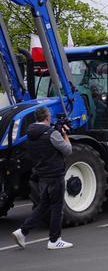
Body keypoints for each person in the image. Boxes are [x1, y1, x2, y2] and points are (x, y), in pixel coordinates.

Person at [11, 107, 74, 250]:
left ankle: (22, 231)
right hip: (55, 175)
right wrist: (64, 134)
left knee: (43, 206)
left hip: (42, 175)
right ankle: (54, 240)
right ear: (47, 118)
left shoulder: (30, 134)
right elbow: (68, 150)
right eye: (50, 116)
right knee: (57, 208)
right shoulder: (52, 134)